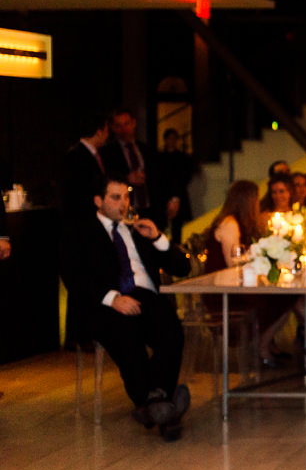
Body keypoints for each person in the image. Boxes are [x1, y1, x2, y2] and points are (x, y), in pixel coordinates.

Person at [61, 176, 191, 440]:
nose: (123, 204)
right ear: (99, 201)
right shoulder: (81, 230)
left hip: (146, 295)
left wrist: (158, 238)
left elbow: (183, 268)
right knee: (126, 336)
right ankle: (164, 406)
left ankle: (153, 404)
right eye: (116, 197)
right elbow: (73, 275)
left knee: (171, 331)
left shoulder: (138, 229)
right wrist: (112, 298)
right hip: (105, 302)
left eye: (126, 197)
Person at [206, 179, 293, 364]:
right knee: (286, 298)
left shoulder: (241, 222)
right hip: (224, 290)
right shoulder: (229, 223)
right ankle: (263, 344)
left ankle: (267, 343)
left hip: (238, 284)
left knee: (289, 296)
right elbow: (233, 262)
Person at [102, 109, 157, 224]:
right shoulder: (108, 152)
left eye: (126, 124)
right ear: (113, 128)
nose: (124, 130)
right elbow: (106, 176)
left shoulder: (145, 149)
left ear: (133, 123)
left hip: (149, 206)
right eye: (118, 126)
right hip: (126, 208)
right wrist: (127, 178)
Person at [62, 115, 112, 219]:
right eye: (107, 131)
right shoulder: (75, 155)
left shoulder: (99, 154)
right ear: (99, 132)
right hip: (84, 216)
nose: (108, 135)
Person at [156, 128, 198, 242]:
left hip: (178, 194)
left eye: (174, 139)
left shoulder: (182, 158)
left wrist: (176, 195)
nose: (172, 141)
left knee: (177, 228)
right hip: (163, 195)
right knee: (161, 225)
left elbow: (185, 177)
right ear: (165, 140)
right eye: (170, 138)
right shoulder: (159, 157)